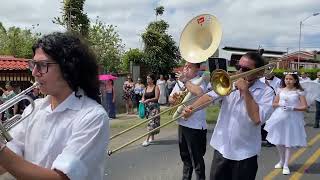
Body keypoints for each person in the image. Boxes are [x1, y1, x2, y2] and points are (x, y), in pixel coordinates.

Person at [0, 32, 109, 180]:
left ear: (67, 67)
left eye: (42, 65)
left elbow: (60, 178)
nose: (34, 72)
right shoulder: (34, 108)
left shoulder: (93, 116)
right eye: (33, 64)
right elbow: (8, 161)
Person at [182, 52, 275, 180]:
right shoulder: (229, 83)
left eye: (246, 69)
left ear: (259, 72)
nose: (240, 71)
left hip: (245, 155)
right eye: (239, 67)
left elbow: (257, 118)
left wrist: (245, 91)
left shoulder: (267, 92)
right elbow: (209, 97)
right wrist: (192, 108)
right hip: (221, 149)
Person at [169, 62, 208, 180]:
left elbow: (199, 93)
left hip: (195, 126)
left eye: (189, 66)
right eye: (185, 66)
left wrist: (185, 81)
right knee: (185, 158)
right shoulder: (181, 82)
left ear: (197, 69)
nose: (185, 68)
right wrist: (175, 99)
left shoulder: (202, 80)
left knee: (197, 161)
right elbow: (170, 98)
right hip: (182, 123)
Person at [264, 72, 307, 175]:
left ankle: (286, 164)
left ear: (295, 80)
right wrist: (279, 104)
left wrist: (293, 108)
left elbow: (304, 106)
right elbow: (274, 104)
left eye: (290, 79)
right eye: (286, 79)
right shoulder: (280, 90)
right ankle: (281, 160)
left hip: (292, 119)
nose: (288, 81)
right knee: (278, 141)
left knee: (288, 142)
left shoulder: (299, 92)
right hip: (279, 117)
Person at [259, 73, 281, 147]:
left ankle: (271, 140)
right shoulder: (260, 80)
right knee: (262, 122)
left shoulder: (278, 81)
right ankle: (263, 138)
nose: (268, 73)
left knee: (271, 123)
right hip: (262, 103)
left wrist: (269, 87)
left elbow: (279, 93)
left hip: (273, 104)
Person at [141, 74, 160, 146]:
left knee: (151, 122)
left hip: (154, 108)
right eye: (147, 79)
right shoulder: (146, 88)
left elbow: (156, 97)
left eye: (149, 79)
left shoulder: (156, 87)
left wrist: (148, 100)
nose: (147, 80)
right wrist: (143, 100)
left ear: (153, 80)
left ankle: (147, 139)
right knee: (151, 122)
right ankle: (152, 138)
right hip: (147, 108)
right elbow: (143, 97)